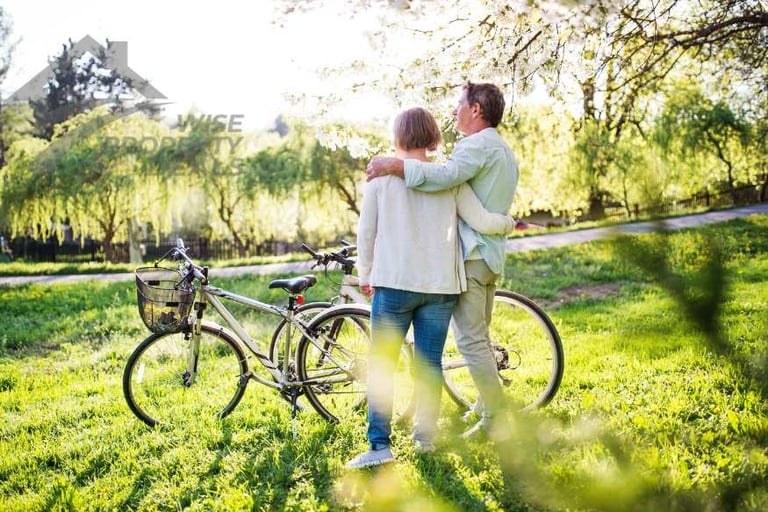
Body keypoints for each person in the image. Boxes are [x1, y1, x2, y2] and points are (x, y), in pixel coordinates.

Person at [346, 107, 516, 469]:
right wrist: (509, 222)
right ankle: (425, 439)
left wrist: (365, 275)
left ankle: (379, 446)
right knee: (429, 364)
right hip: (440, 288)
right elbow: (482, 221)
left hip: (394, 284)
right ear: (433, 137)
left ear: (398, 136)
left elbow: (367, 233)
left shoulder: (380, 178)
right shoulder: (449, 179)